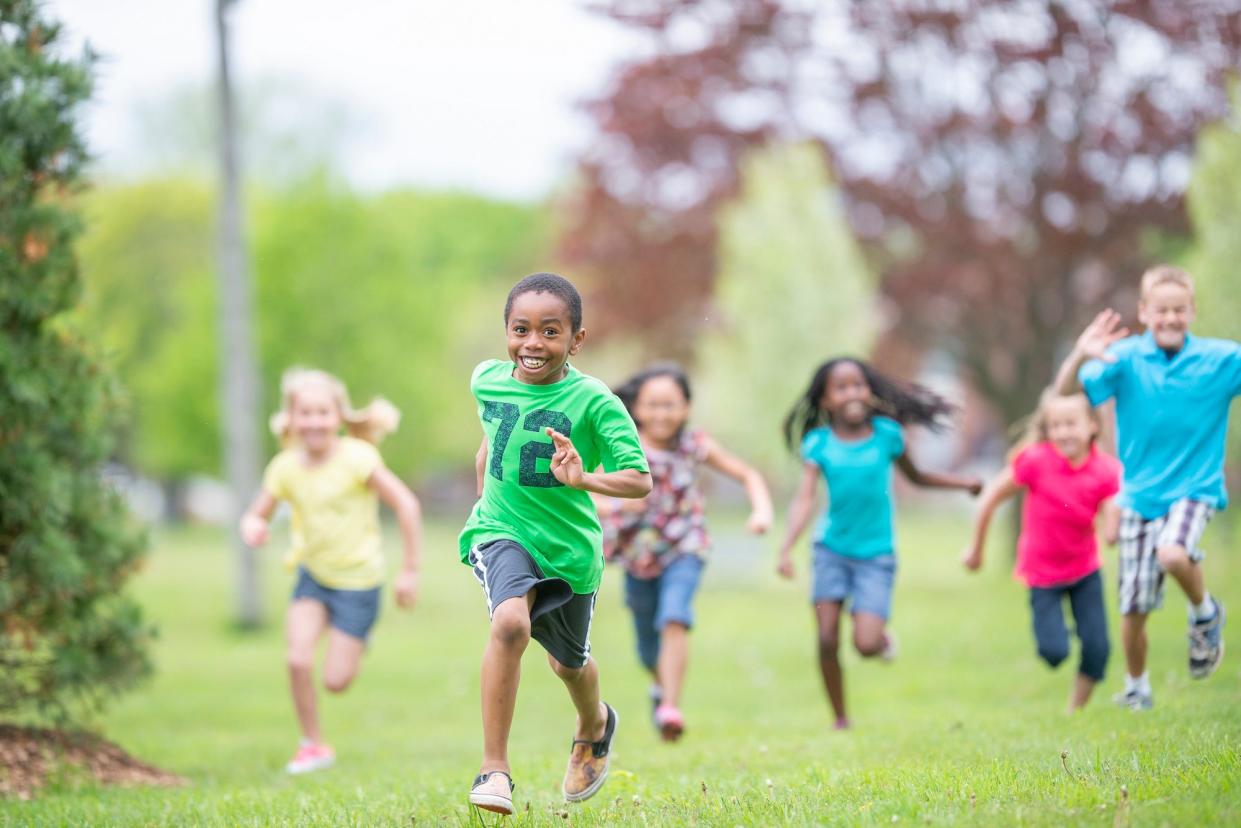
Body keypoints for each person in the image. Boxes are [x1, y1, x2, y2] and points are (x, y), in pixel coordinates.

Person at [459, 273, 652, 815]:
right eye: (521, 330)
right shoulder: (486, 381)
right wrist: (486, 502)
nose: (533, 344)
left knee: (568, 665)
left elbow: (639, 479)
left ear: (577, 339)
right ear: (506, 333)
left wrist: (584, 478)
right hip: (500, 531)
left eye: (550, 331)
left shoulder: (594, 401)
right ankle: (494, 770)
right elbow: (491, 438)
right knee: (510, 623)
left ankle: (594, 723)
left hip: (569, 552)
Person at [1054, 265, 1240, 709]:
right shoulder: (1125, 359)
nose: (1171, 318)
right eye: (1162, 310)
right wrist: (1081, 354)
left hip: (1195, 487)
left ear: (1192, 311)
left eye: (1179, 310)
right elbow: (1063, 394)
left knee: (1173, 552)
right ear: (1144, 312)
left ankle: (1205, 614)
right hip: (1138, 495)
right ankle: (1137, 689)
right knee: (1133, 609)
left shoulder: (1221, 360)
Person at [775, 357, 981, 729]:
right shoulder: (817, 443)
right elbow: (805, 499)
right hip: (831, 550)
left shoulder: (887, 435)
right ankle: (840, 717)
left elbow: (917, 478)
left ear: (869, 392)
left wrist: (962, 483)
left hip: (875, 554)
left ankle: (881, 639)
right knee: (825, 637)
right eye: (841, 387)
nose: (852, 393)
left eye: (858, 385)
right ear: (825, 400)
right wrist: (787, 546)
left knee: (865, 645)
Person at [239, 368, 421, 774]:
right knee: (298, 659)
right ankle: (313, 745)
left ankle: (358, 637)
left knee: (336, 682)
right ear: (291, 419)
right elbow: (257, 514)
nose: (314, 421)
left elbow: (407, 505)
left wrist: (410, 571)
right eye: (305, 413)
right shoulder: (284, 467)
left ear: (338, 417)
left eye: (323, 412)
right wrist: (253, 526)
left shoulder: (358, 458)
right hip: (313, 577)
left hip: (359, 583)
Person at [599, 364, 773, 742]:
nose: (661, 414)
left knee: (675, 616)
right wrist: (613, 507)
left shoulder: (694, 444)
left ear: (686, 408)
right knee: (647, 650)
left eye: (670, 405)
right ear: (637, 408)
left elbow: (748, 475)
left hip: (685, 546)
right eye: (652, 405)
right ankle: (660, 688)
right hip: (638, 555)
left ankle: (670, 709)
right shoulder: (622, 444)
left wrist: (761, 511)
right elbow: (584, 491)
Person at [962, 389, 1121, 711]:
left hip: (1084, 569)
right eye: (1055, 425)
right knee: (1054, 653)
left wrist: (1112, 528)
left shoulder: (1106, 470)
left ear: (1092, 425)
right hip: (1042, 574)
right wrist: (976, 550)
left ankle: (1074, 710)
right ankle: (1057, 634)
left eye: (1070, 424)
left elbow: (1112, 511)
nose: (1062, 432)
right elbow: (991, 497)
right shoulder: (1036, 461)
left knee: (1098, 648)